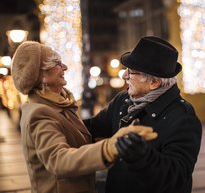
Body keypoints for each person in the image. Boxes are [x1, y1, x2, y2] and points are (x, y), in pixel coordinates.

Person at [11, 41, 157, 193]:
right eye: (57, 63)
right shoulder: (40, 113)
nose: (65, 67)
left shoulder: (58, 105)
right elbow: (59, 160)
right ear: (42, 76)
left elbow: (79, 138)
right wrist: (109, 147)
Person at [84, 36, 202, 193]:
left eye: (131, 72)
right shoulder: (123, 100)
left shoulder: (183, 118)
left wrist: (143, 156)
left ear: (154, 83)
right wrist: (58, 120)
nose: (124, 76)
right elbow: (91, 128)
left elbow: (176, 177)